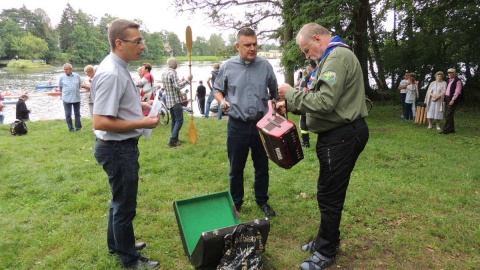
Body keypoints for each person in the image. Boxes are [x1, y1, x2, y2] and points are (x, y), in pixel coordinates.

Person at [277, 22, 369, 270]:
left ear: (317, 39)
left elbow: (325, 102)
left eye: (306, 50)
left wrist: (290, 94)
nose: (307, 56)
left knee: (330, 195)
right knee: (328, 190)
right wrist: (292, 103)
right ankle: (323, 240)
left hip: (342, 136)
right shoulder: (331, 57)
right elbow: (317, 96)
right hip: (337, 135)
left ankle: (327, 250)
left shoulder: (337, 57)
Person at [90, 18, 160, 269]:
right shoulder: (111, 73)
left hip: (118, 147)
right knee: (125, 205)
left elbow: (117, 103)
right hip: (118, 149)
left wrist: (138, 105)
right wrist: (142, 122)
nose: (142, 46)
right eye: (138, 41)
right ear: (119, 43)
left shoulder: (119, 67)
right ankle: (129, 259)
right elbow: (100, 121)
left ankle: (117, 244)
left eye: (142, 40)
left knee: (119, 200)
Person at [213, 27, 278, 217]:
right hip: (237, 125)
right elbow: (217, 89)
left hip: (261, 125)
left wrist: (279, 103)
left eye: (255, 44)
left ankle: (262, 201)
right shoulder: (227, 67)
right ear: (237, 46)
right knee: (236, 168)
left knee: (262, 166)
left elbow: (275, 93)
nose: (252, 48)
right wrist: (222, 101)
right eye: (247, 45)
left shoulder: (265, 66)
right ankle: (236, 203)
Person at [161, 57, 192, 147]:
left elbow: (171, 86)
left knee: (174, 120)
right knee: (179, 120)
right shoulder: (172, 73)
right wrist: (187, 80)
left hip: (169, 100)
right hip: (175, 100)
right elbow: (177, 86)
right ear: (175, 65)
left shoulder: (164, 73)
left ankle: (175, 139)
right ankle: (173, 139)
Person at [59, 63, 83, 132]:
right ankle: (71, 128)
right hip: (66, 98)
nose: (65, 71)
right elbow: (60, 87)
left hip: (76, 97)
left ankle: (78, 127)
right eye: (64, 69)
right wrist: (63, 95)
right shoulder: (61, 77)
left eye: (66, 69)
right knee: (68, 114)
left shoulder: (77, 76)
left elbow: (79, 86)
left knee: (77, 113)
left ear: (71, 69)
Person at [299, 60, 317, 148]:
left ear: (310, 66)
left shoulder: (308, 76)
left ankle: (305, 142)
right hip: (317, 101)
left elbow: (304, 91)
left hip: (308, 102)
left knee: (303, 122)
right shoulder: (319, 74)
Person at [440, 68, 463, 134]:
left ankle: (446, 130)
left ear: (454, 73)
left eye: (451, 72)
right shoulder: (448, 80)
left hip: (452, 98)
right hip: (447, 98)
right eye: (448, 73)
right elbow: (446, 90)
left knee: (448, 114)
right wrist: (444, 100)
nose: (449, 74)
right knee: (448, 114)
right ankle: (451, 129)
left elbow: (458, 91)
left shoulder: (457, 81)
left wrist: (453, 99)